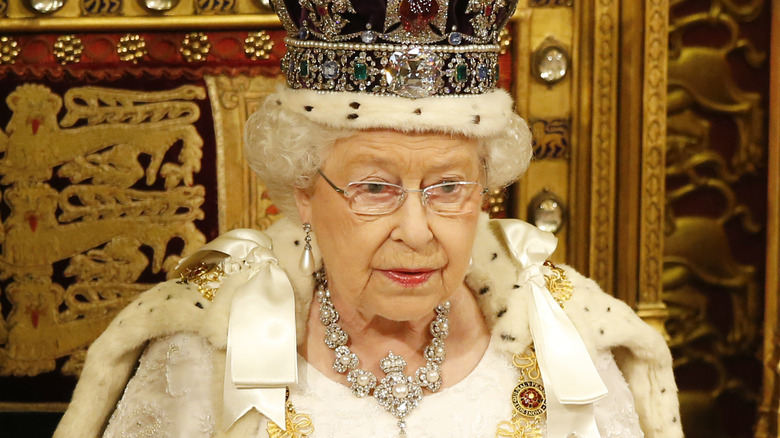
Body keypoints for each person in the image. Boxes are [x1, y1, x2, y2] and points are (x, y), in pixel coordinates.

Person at [55, 1, 682, 437]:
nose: (416, 230)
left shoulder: (560, 342)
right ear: (304, 191)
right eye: (376, 188)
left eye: (449, 188)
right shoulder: (206, 349)